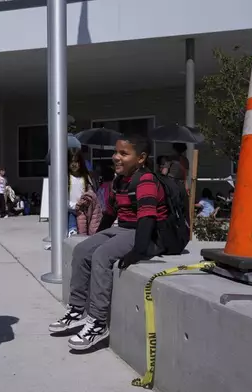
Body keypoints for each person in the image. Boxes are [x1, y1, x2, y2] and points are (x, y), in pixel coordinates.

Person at [49, 134, 169, 351]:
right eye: (116, 152)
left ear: (141, 158)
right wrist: (97, 237)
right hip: (122, 228)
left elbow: (147, 219)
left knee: (102, 256)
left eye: (124, 153)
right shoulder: (119, 181)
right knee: (83, 249)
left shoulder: (146, 181)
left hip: (142, 232)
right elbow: (110, 212)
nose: (116, 157)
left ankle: (97, 321)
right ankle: (77, 309)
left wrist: (138, 252)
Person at [68, 149, 94, 236]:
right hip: (70, 210)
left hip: (84, 211)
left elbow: (90, 193)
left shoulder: (85, 177)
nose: (74, 164)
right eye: (71, 161)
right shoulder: (66, 177)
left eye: (76, 161)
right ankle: (72, 231)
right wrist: (73, 205)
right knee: (72, 222)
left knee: (84, 230)